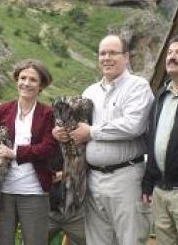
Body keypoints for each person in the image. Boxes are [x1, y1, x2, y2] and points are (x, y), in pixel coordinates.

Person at [54, 35, 154, 245]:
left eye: (113, 53)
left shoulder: (138, 86)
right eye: (102, 53)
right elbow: (78, 131)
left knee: (130, 239)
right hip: (93, 179)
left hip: (126, 177)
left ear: (126, 57)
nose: (106, 58)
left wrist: (91, 132)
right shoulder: (90, 91)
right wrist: (63, 134)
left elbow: (133, 125)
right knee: (97, 241)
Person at [0, 59, 58, 245]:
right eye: (22, 78)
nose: (26, 83)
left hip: (34, 192)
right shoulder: (5, 109)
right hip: (3, 192)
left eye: (33, 79)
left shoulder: (47, 113)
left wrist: (15, 153)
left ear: (41, 85)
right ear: (17, 80)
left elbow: (48, 149)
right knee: (3, 241)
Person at [142, 34, 178, 245]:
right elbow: (153, 139)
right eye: (169, 52)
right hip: (161, 190)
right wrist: (148, 182)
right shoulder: (160, 95)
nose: (171, 56)